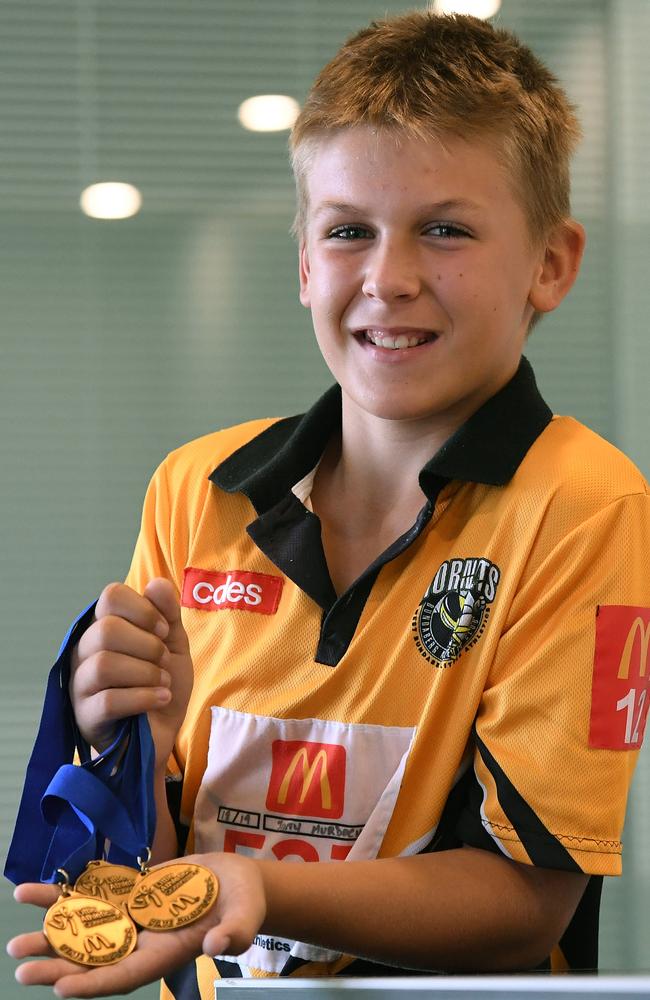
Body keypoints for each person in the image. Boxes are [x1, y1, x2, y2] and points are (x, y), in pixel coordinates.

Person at [7, 10, 650, 999]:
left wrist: (258, 883)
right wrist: (119, 733)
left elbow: (524, 906)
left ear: (549, 265)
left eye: (444, 229)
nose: (387, 279)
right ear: (306, 264)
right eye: (348, 231)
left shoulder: (585, 505)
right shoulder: (196, 488)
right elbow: (155, 869)